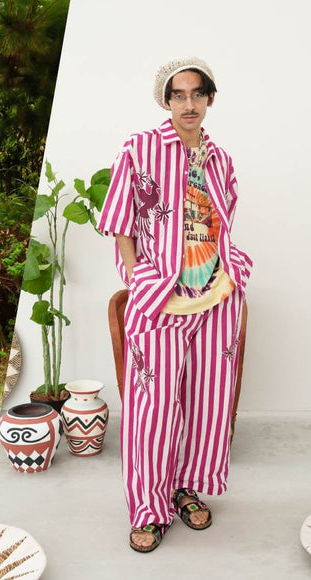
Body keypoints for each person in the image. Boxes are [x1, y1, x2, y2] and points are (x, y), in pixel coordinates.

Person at [98, 57, 252, 552]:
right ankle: (149, 507)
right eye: (179, 95)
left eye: (197, 94)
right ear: (166, 101)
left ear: (210, 99)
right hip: (160, 299)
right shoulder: (140, 148)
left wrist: (226, 273)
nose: (189, 104)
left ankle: (186, 488)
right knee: (152, 408)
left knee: (207, 402)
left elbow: (220, 224)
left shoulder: (221, 160)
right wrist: (138, 278)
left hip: (215, 297)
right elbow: (120, 223)